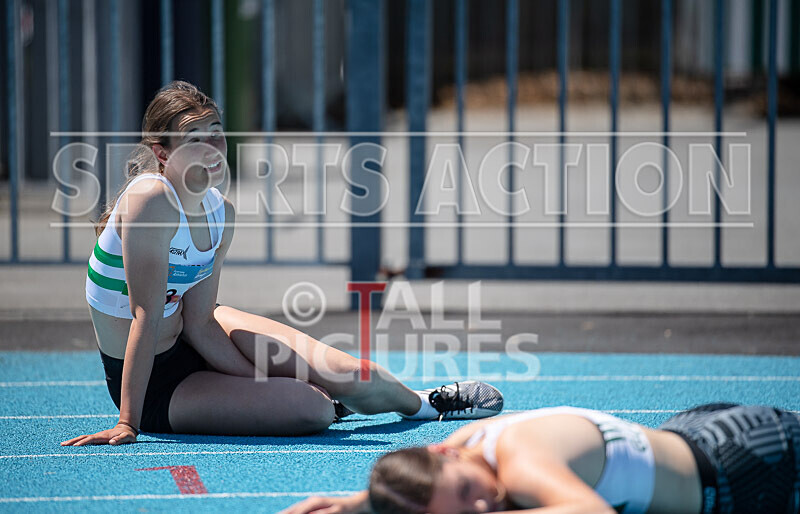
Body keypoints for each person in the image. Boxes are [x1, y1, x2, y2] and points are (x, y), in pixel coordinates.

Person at [61, 81, 504, 446]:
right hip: (156, 382)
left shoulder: (221, 212)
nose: (213, 147)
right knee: (310, 407)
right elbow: (145, 316)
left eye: (216, 132)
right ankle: (331, 402)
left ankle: (425, 403)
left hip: (199, 336)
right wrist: (127, 422)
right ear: (162, 154)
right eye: (194, 140)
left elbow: (198, 321)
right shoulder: (150, 200)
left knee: (350, 372)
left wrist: (257, 378)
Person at [282, 403, 800, 514]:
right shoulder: (467, 449)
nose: (482, 507)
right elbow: (427, 484)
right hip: (698, 434)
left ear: (445, 450)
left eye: (469, 494)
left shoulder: (520, 463)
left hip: (750, 468)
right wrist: (353, 506)